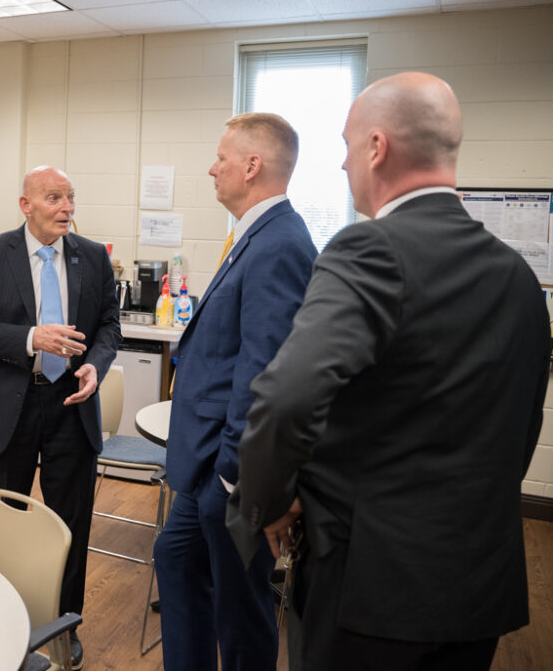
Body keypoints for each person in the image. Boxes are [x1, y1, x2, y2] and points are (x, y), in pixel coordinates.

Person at [226, 72, 551, 671]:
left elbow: (285, 399)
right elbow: (521, 423)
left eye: (348, 147)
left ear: (376, 148)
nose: (344, 166)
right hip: (478, 582)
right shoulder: (519, 279)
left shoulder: (368, 249)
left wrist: (267, 505)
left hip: (371, 591)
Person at [156, 113, 317, 671]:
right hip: (207, 465)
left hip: (228, 473)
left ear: (252, 166)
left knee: (242, 612)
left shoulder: (279, 244)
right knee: (175, 561)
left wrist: (231, 474)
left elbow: (266, 371)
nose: (211, 167)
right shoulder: (254, 235)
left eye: (221, 158)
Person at [0, 166, 121, 670]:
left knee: (70, 523)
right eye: (55, 198)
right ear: (26, 204)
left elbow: (109, 326)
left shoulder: (93, 257)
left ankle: (65, 622)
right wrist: (32, 338)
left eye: (71, 197)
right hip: (11, 402)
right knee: (4, 519)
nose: (68, 207)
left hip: (71, 403)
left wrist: (96, 361)